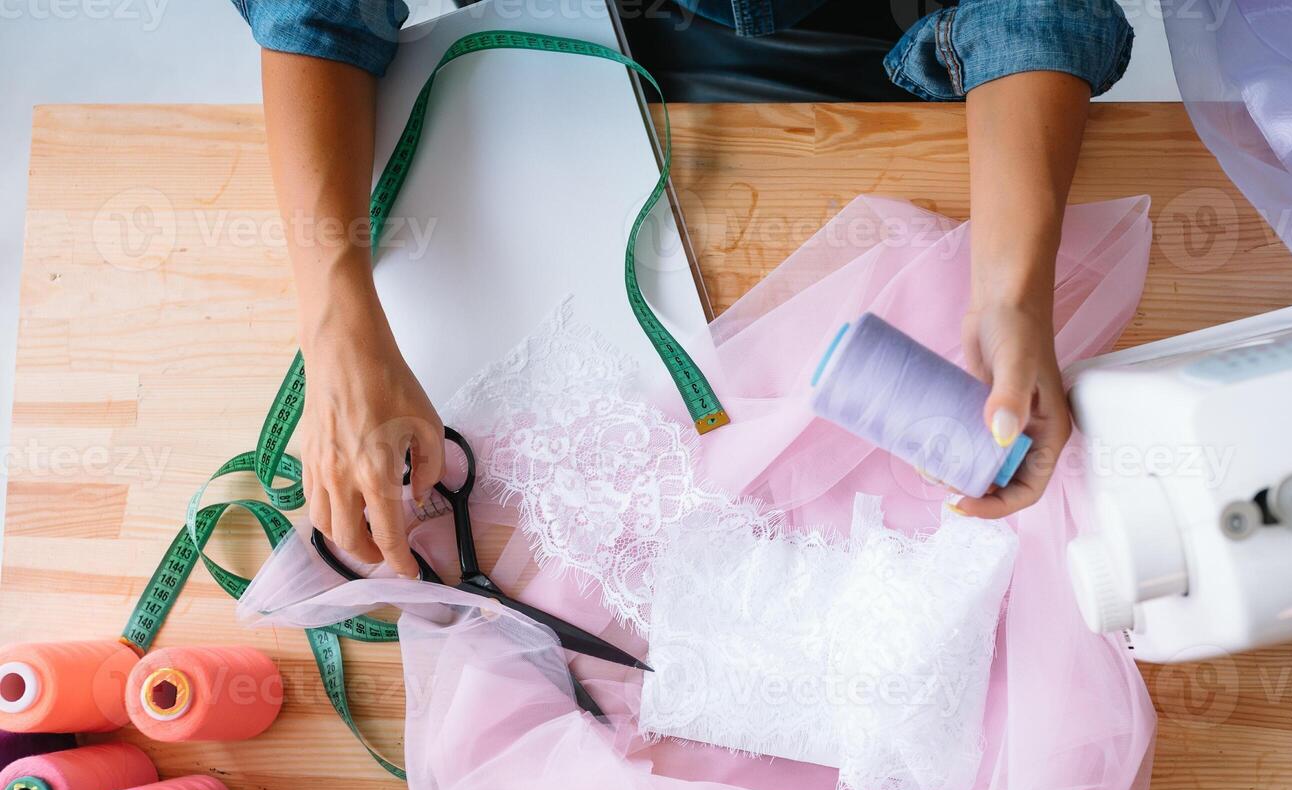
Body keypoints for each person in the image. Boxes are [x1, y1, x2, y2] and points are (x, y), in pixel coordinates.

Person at [229, 0, 1134, 576]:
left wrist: (1011, 299)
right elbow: (313, 13)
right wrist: (337, 316)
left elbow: (1039, 9)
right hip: (540, 74)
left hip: (844, 69)